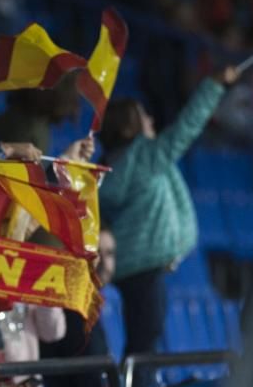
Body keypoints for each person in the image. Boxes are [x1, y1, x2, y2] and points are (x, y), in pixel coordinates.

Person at [99, 66, 237, 364]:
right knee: (144, 348)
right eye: (142, 115)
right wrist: (213, 85)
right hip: (145, 270)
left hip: (132, 267)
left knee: (142, 341)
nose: (150, 120)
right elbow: (186, 128)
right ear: (127, 128)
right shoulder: (145, 157)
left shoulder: (110, 167)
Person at [41, 227, 116, 387]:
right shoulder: (74, 310)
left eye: (109, 253)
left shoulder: (97, 302)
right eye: (94, 252)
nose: (102, 262)